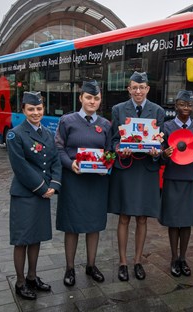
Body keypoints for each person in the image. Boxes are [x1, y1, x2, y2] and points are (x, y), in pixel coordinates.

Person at [108, 71, 165, 281]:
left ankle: (138, 261)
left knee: (142, 217)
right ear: (129, 89)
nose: (138, 91)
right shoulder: (118, 110)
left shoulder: (157, 111)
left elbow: (161, 142)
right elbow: (113, 139)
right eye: (134, 88)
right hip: (127, 167)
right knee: (124, 216)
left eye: (142, 88)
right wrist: (119, 148)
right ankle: (123, 263)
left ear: (148, 89)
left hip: (146, 169)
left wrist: (156, 150)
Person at [55, 80, 111, 286]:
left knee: (94, 224)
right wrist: (70, 165)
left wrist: (108, 164)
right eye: (89, 97)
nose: (92, 101)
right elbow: (58, 148)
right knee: (72, 225)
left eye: (96, 98)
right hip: (74, 180)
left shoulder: (106, 125)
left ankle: (91, 265)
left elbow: (109, 150)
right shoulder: (67, 121)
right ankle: (70, 268)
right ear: (81, 98)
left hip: (96, 182)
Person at [6, 91, 62, 300]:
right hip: (25, 195)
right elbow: (20, 167)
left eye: (39, 109)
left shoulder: (47, 133)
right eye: (31, 109)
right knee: (22, 240)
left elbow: (55, 161)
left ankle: (32, 277)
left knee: (36, 238)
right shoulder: (15, 134)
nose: (36, 112)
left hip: (42, 194)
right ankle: (20, 283)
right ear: (23, 110)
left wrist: (54, 186)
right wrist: (42, 188)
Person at [160, 90, 193, 277]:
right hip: (172, 177)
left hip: (189, 178)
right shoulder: (167, 127)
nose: (185, 108)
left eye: (189, 105)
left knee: (186, 221)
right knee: (173, 221)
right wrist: (164, 154)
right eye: (182, 104)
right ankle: (173, 258)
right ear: (175, 105)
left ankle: (183, 258)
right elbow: (161, 158)